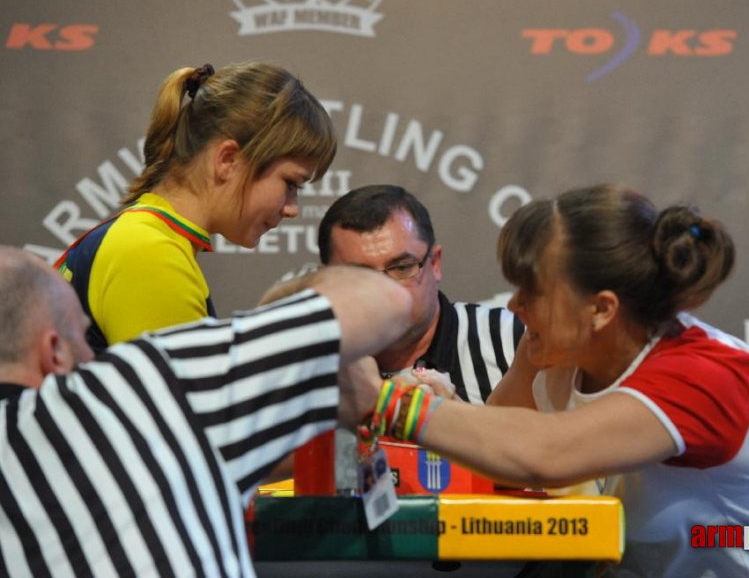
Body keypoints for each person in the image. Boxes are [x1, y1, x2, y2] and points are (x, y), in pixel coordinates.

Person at [360, 184, 749, 577]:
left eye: (532, 293)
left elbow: (543, 453)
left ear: (601, 310)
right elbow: (494, 459)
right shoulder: (554, 350)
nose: (514, 306)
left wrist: (384, 401)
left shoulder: (706, 373)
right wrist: (444, 405)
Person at [0, 245, 411, 576]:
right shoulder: (132, 386)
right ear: (54, 352)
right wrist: (291, 295)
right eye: (84, 336)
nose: (93, 353)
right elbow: (385, 300)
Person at [55, 61, 336, 353]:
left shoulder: (144, 239)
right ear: (228, 160)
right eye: (291, 183)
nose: (293, 209)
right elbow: (180, 398)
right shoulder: (149, 252)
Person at [316, 184, 523, 404]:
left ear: (434, 263)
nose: (384, 293)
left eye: (402, 267)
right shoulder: (308, 366)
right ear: (327, 282)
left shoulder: (515, 340)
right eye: (359, 276)